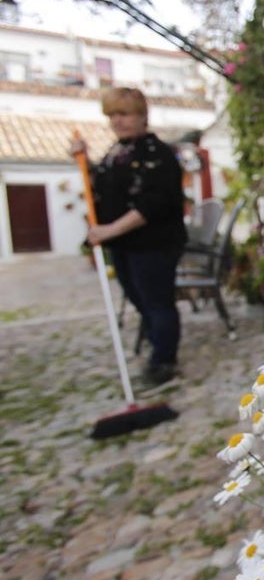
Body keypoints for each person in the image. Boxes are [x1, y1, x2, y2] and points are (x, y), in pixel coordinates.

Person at [72, 87, 188, 386]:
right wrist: (83, 160)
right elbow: (103, 188)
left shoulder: (158, 154)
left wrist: (110, 230)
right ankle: (157, 345)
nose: (117, 121)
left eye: (124, 114)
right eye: (112, 115)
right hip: (125, 245)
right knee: (140, 300)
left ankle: (164, 360)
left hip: (153, 244)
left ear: (141, 115)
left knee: (157, 302)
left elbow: (153, 204)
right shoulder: (116, 153)